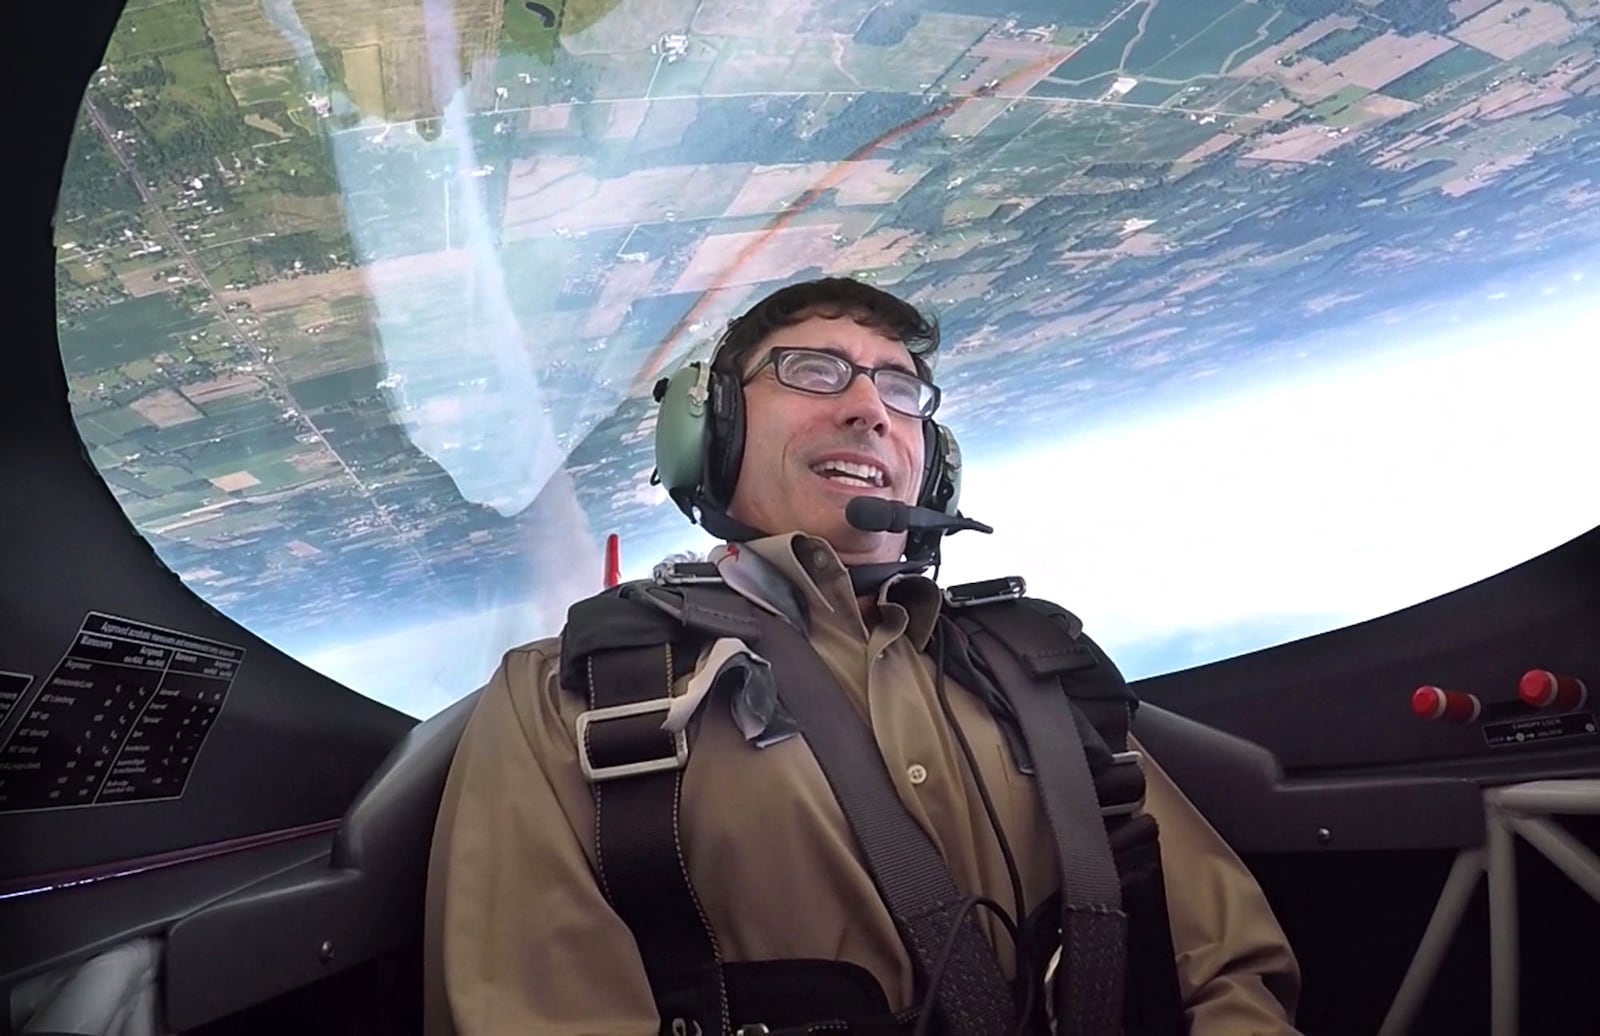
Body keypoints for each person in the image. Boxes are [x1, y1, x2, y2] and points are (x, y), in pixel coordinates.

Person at [424, 277, 1302, 1035]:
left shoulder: (1043, 669)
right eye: (813, 371)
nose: (868, 408)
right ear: (712, 429)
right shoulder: (570, 701)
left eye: (901, 388)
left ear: (935, 466)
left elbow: (1226, 967)